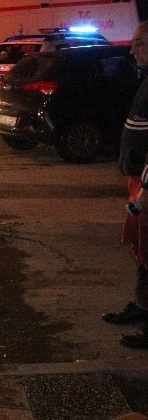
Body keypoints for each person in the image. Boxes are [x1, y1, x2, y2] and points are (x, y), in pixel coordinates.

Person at [112, 20, 148, 348]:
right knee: (141, 250)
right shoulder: (145, 79)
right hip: (139, 182)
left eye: (139, 43)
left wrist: (146, 191)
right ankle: (142, 306)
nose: (132, 48)